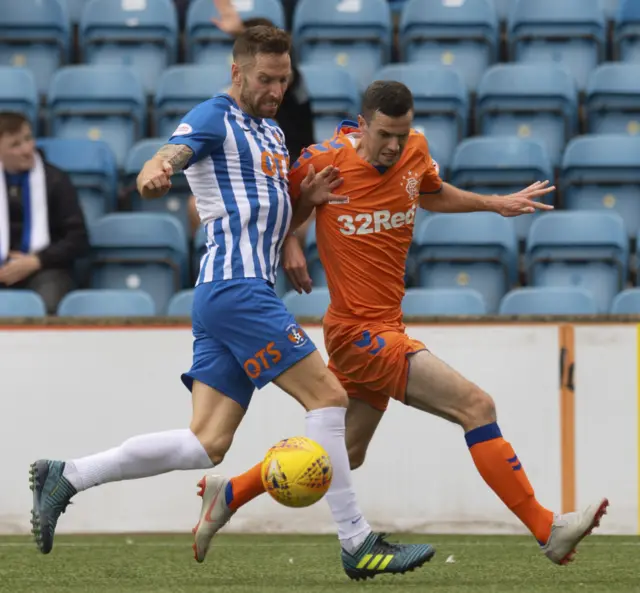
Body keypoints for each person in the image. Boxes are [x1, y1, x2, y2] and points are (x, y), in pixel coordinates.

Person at [29, 27, 435, 581]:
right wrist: (158, 168)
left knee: (207, 443)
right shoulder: (214, 114)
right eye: (265, 79)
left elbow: (268, 204)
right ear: (237, 72)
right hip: (237, 288)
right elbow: (175, 151)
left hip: (231, 294)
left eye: (283, 79)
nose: (275, 89)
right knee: (330, 397)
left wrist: (302, 205)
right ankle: (357, 541)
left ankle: (69, 475)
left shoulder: (270, 133)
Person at [193, 80, 609, 568]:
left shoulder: (415, 152)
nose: (394, 144)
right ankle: (546, 527)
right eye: (385, 134)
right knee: (476, 405)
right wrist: (292, 238)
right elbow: (279, 208)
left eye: (402, 133)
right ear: (363, 125)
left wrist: (494, 202)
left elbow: (431, 193)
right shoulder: (322, 161)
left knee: (343, 453)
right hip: (360, 334)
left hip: (384, 325)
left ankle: (230, 493)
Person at [188, 0, 316, 248]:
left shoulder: (291, 86)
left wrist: (240, 33)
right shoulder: (225, 102)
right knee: (195, 207)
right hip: (246, 184)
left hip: (292, 184)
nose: (274, 87)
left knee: (299, 229)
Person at [0, 112, 89, 314]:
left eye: (28, 139)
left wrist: (35, 261)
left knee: (50, 297)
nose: (27, 149)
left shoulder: (56, 180)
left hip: (45, 268)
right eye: (15, 145)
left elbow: (78, 239)